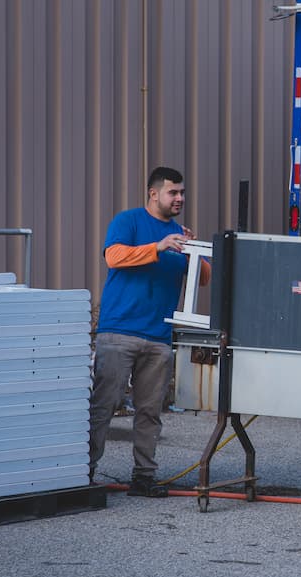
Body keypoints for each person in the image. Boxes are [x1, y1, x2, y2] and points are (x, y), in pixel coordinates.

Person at [89, 167, 210, 497]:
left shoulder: (178, 234)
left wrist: (193, 249)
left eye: (182, 192)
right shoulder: (128, 221)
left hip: (159, 336)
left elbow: (203, 278)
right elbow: (113, 257)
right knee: (105, 405)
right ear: (153, 193)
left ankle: (144, 476)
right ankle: (84, 472)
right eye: (173, 192)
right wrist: (158, 246)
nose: (180, 198)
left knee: (149, 411)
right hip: (119, 331)